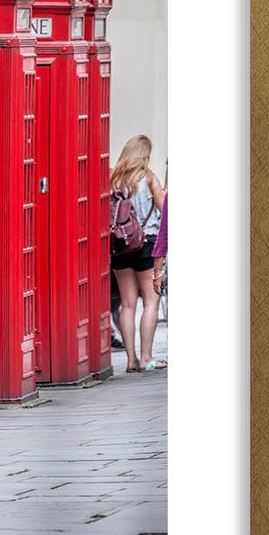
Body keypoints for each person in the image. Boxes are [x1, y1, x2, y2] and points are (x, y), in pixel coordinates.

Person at [110, 135, 166, 373]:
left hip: (120, 246)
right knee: (151, 302)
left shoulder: (113, 180)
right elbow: (166, 211)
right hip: (146, 244)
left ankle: (131, 360)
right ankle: (146, 358)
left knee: (127, 304)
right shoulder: (149, 178)